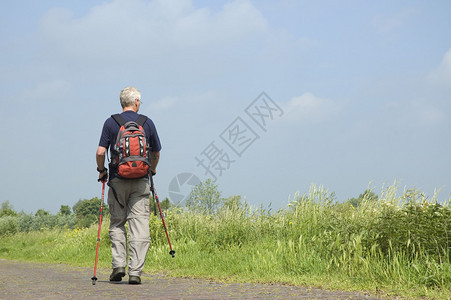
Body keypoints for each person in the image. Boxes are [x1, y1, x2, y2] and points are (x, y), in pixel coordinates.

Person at [96, 86, 161, 284]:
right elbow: (156, 153)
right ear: (136, 102)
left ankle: (118, 266)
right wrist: (152, 170)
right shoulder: (146, 123)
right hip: (141, 181)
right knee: (139, 225)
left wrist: (102, 171)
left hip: (117, 181)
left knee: (117, 222)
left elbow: (100, 152)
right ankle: (135, 272)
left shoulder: (111, 122)